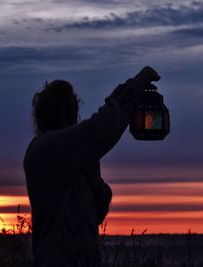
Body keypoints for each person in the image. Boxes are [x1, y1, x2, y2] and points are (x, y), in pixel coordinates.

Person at [23, 66, 160, 266]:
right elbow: (99, 129)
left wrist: (96, 184)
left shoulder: (75, 160)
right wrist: (135, 85)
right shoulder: (46, 150)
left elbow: (95, 213)